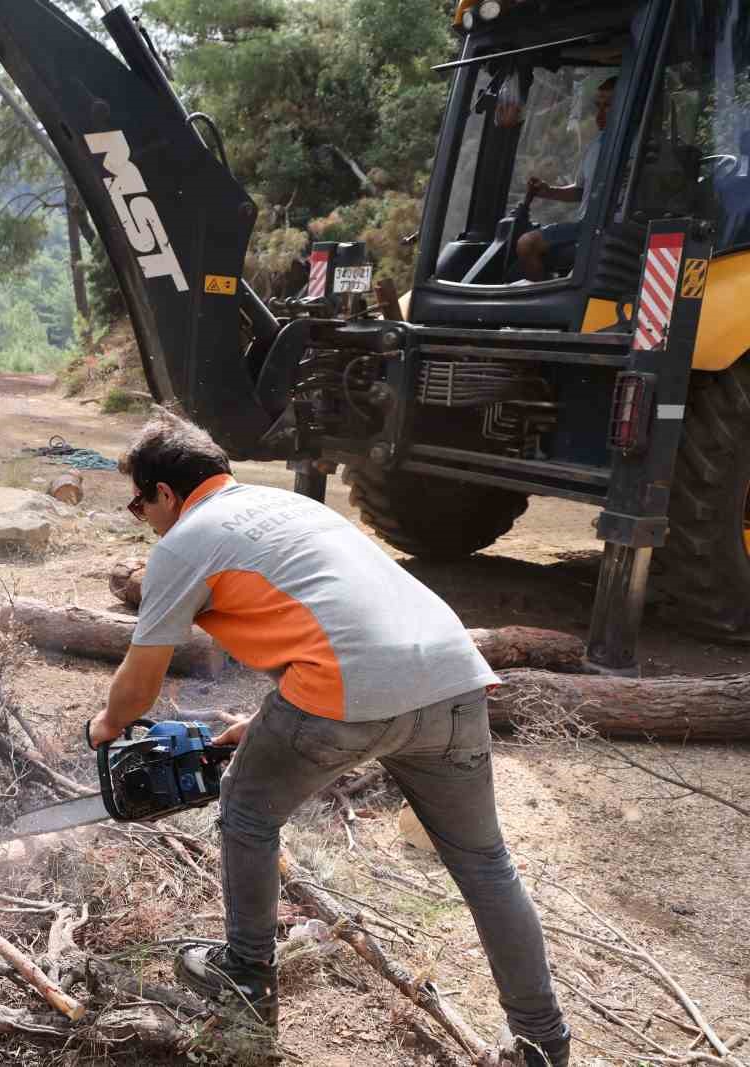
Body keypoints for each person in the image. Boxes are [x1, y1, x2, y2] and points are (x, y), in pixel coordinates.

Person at [87, 410, 572, 1067]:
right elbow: (340, 618)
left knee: (247, 809)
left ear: (166, 493)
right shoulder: (284, 507)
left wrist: (107, 727)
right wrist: (261, 724)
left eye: (138, 502)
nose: (140, 516)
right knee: (487, 864)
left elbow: (139, 684)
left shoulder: (184, 539)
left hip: (352, 690)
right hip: (453, 676)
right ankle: (543, 1043)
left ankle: (246, 973)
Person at [516, 76, 617, 281]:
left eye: (608, 105)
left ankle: (541, 304)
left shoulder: (641, 147)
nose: (600, 113)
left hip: (606, 227)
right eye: (598, 105)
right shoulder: (596, 145)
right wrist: (549, 190)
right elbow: (581, 191)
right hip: (586, 223)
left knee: (527, 244)